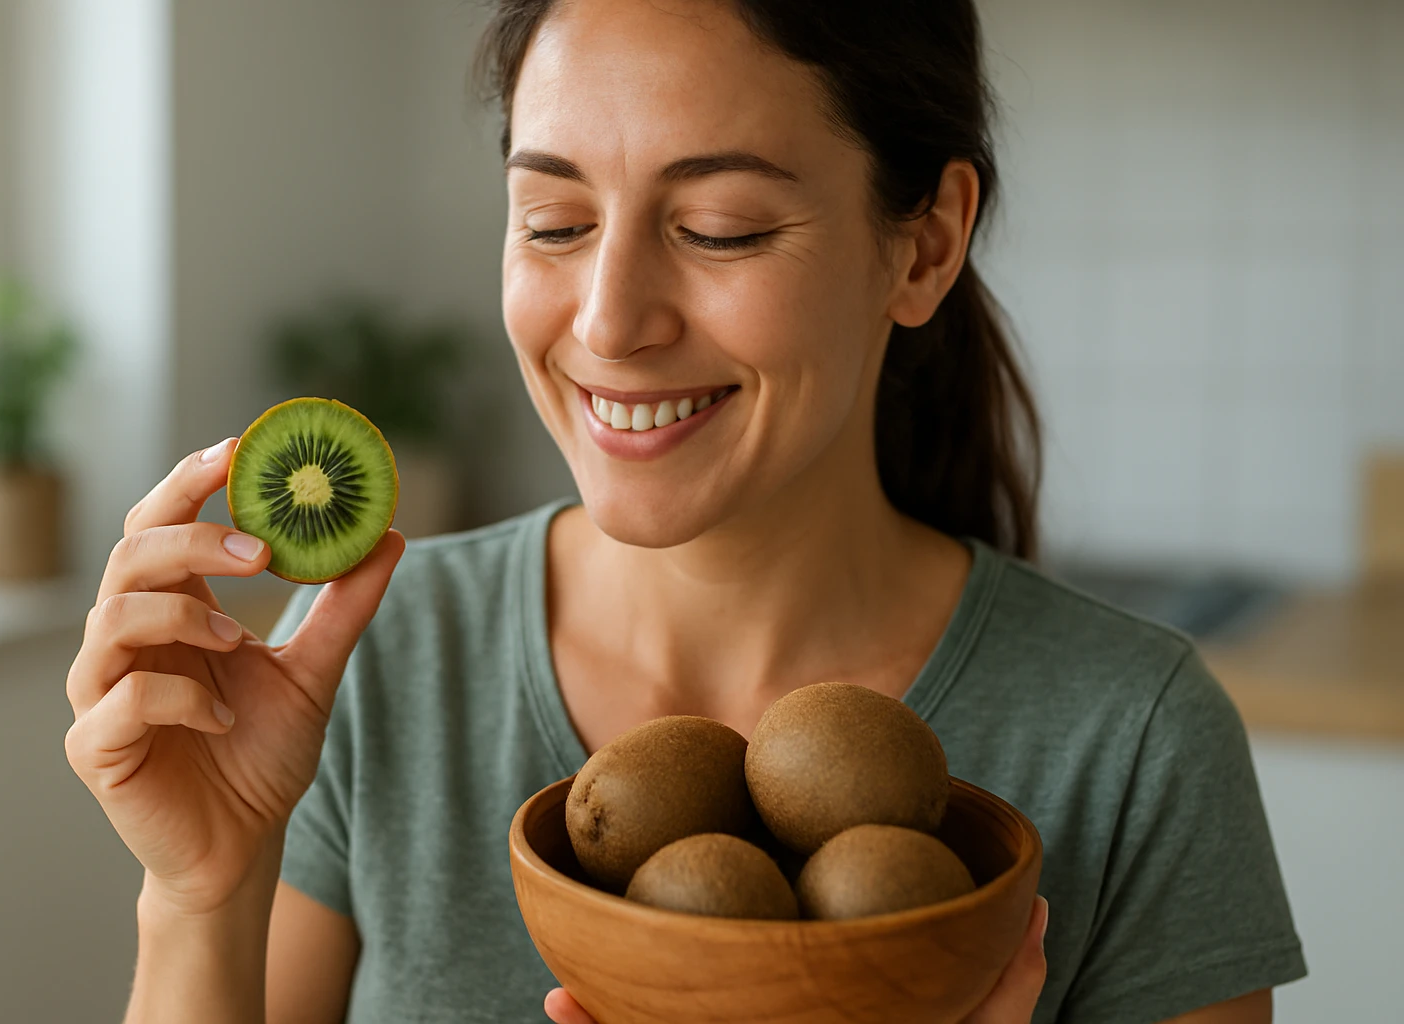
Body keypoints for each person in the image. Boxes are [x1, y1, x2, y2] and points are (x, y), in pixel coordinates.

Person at [63, 1, 1306, 1021]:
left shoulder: (1132, 742)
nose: (608, 320)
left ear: (924, 247)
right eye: (553, 221)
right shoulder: (376, 656)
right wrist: (204, 892)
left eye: (720, 228)